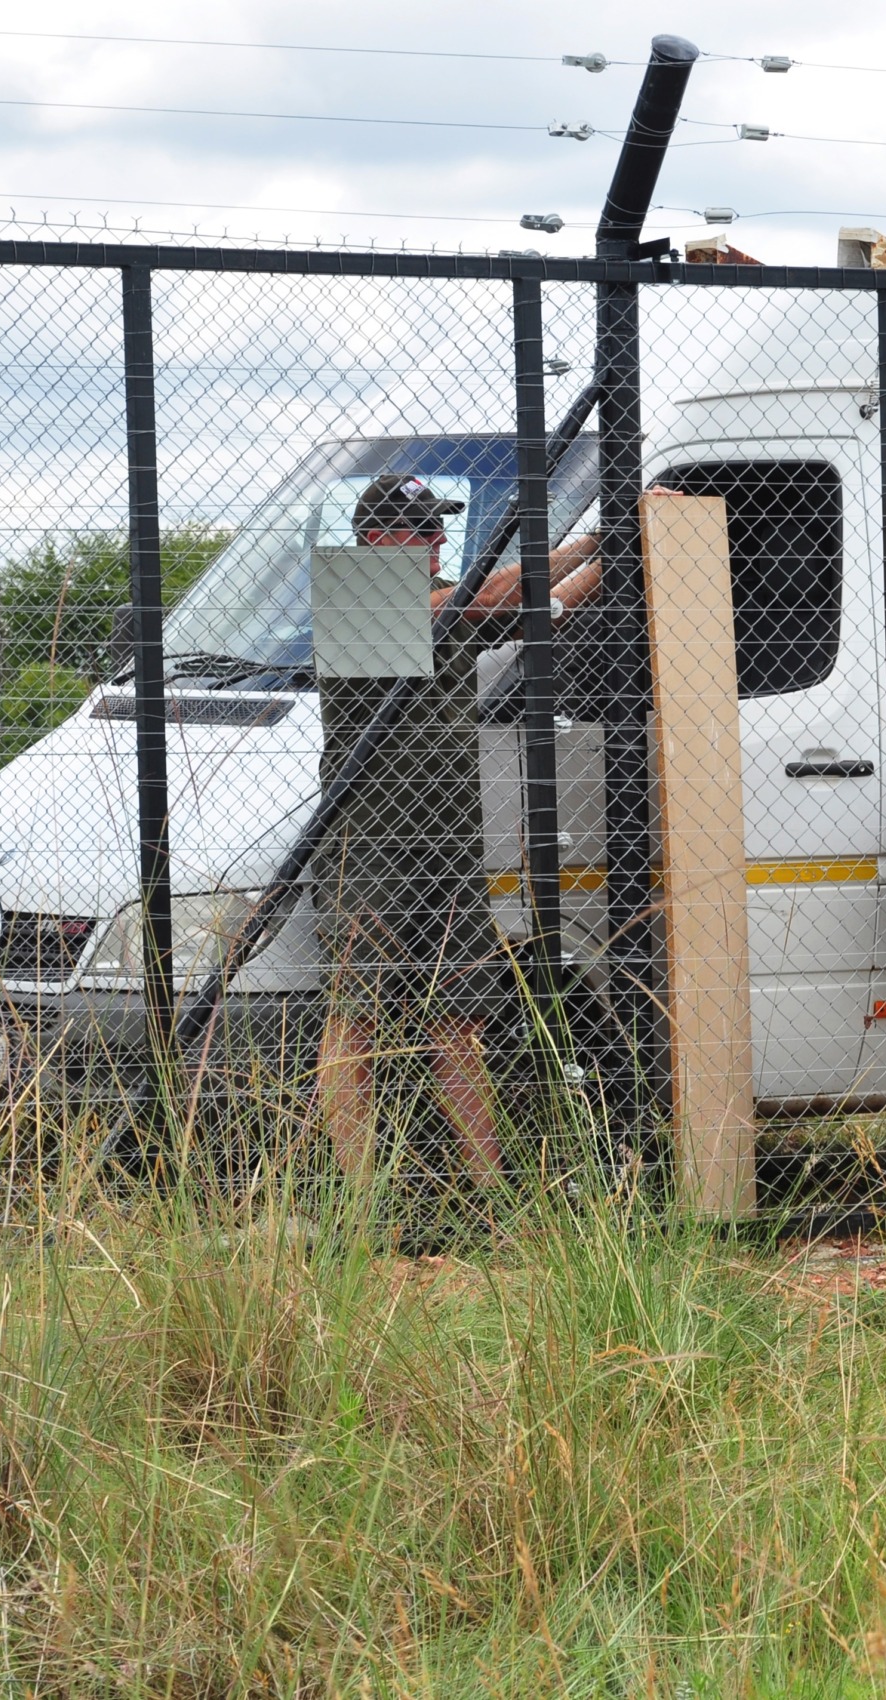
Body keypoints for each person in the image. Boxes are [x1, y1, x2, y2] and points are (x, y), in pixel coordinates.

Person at [315, 473, 513, 1192]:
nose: (436, 544)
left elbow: (525, 598)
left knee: (458, 1024)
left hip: (451, 845)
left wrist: (619, 544)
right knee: (356, 1026)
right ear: (373, 539)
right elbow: (490, 597)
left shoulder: (449, 599)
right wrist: (601, 540)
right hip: (370, 848)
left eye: (439, 529)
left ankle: (492, 1200)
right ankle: (366, 1201)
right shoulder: (353, 594)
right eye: (420, 531)